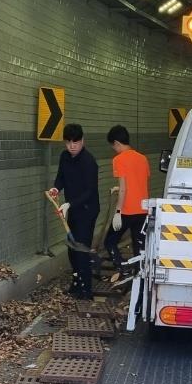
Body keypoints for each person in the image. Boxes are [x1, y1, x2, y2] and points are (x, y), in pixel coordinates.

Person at [47, 123, 99, 298]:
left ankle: (87, 290)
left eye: (75, 142)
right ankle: (77, 282)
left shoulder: (89, 161)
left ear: (82, 141)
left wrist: (69, 204)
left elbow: (89, 191)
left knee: (81, 248)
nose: (72, 146)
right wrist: (56, 188)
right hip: (73, 210)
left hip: (87, 210)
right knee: (71, 247)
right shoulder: (64, 156)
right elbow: (61, 176)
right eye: (68, 142)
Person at [103, 125, 150, 282]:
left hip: (127, 211)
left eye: (113, 146)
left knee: (110, 241)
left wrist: (117, 212)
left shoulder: (119, 160)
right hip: (143, 210)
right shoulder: (143, 158)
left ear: (116, 143)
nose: (114, 150)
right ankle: (140, 277)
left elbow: (124, 188)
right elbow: (138, 182)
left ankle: (122, 268)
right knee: (139, 247)